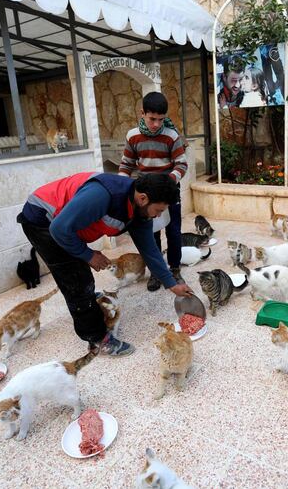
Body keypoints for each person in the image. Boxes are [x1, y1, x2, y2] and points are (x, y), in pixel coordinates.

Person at [17, 172, 193, 357]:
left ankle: (88, 305)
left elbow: (150, 251)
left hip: (64, 224)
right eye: (157, 210)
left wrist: (172, 284)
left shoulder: (139, 212)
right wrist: (88, 254)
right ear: (143, 198)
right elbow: (59, 229)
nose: (157, 216)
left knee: (79, 269)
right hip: (43, 220)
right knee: (77, 279)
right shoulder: (103, 195)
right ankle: (98, 339)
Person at [119, 91, 188, 292]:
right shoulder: (132, 136)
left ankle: (174, 269)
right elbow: (126, 164)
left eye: (161, 119)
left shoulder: (172, 136)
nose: (156, 124)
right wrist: (122, 185)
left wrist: (168, 181)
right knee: (152, 233)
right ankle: (157, 272)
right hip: (147, 194)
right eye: (152, 119)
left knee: (174, 231)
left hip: (169, 192)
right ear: (142, 113)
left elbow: (181, 165)